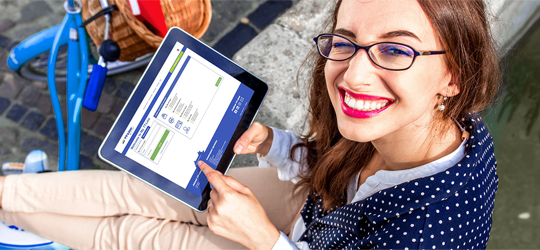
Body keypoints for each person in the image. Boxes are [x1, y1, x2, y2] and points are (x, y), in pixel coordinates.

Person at [0, 0, 501, 249]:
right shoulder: (426, 122)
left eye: (395, 49)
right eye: (344, 41)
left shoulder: (435, 234)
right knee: (145, 191)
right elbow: (330, 158)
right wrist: (271, 142)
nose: (354, 74)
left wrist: (263, 238)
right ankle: (6, 197)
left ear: (453, 75)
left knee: (134, 234)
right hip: (316, 203)